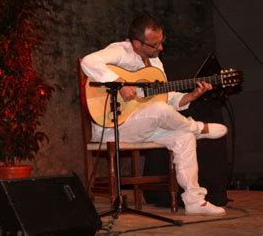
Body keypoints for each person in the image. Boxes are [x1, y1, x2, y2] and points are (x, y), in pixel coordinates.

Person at [81, 14, 227, 215]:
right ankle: (198, 128)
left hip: (145, 125)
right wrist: (120, 83)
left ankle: (194, 200)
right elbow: (88, 61)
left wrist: (191, 96)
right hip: (112, 127)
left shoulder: (155, 63)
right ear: (136, 43)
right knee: (161, 113)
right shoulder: (119, 52)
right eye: (154, 45)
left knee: (183, 137)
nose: (160, 49)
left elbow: (164, 99)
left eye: (161, 43)